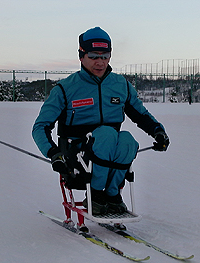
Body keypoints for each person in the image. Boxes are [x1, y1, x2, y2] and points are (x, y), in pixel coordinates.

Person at [32, 27, 169, 215]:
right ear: (81, 56)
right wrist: (53, 153)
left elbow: (140, 114)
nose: (100, 62)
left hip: (109, 146)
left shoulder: (121, 86)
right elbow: (40, 127)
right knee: (106, 135)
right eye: (94, 56)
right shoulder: (65, 89)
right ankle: (95, 195)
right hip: (76, 153)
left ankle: (112, 196)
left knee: (127, 140)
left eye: (105, 56)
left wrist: (158, 131)